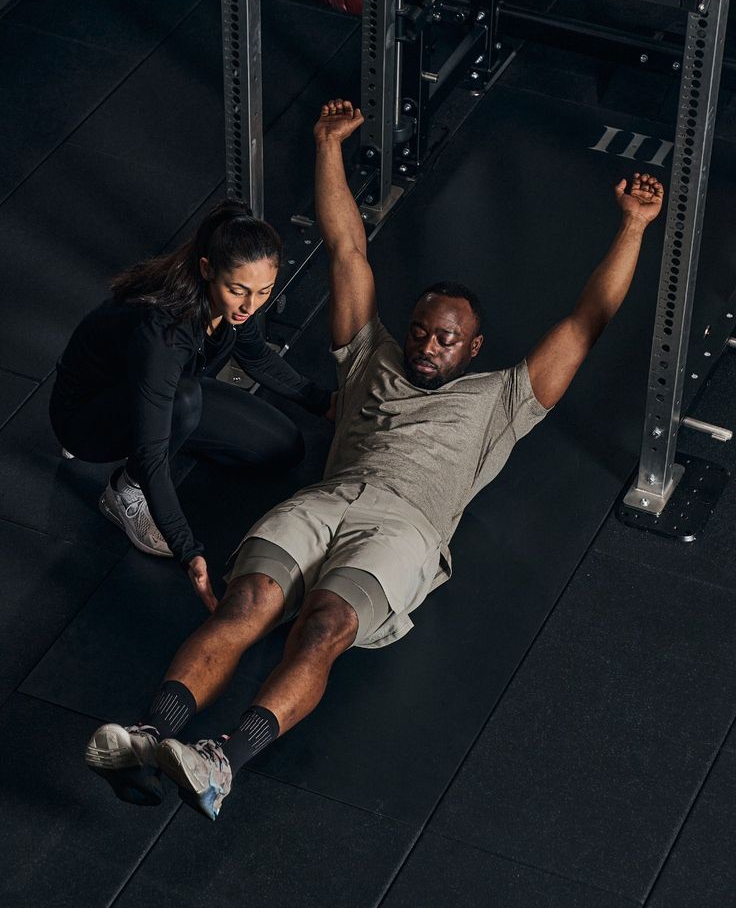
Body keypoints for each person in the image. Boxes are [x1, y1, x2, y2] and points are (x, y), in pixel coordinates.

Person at [84, 100, 664, 819]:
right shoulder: (368, 354)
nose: (426, 345)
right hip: (325, 502)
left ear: (474, 348)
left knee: (323, 627)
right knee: (247, 604)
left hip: (405, 529)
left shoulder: (505, 398)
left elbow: (587, 320)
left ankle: (221, 762)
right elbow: (348, 248)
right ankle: (150, 735)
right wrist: (328, 146)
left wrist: (633, 227)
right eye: (421, 330)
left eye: (445, 339)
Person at [50, 200, 332, 610]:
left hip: (159, 391)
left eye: (263, 292)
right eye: (238, 291)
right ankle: (124, 493)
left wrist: (324, 403)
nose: (249, 306)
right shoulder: (164, 332)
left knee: (282, 446)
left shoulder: (236, 303)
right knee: (183, 402)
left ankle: (168, 423)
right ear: (206, 269)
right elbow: (150, 455)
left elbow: (256, 356)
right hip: (85, 416)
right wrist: (188, 549)